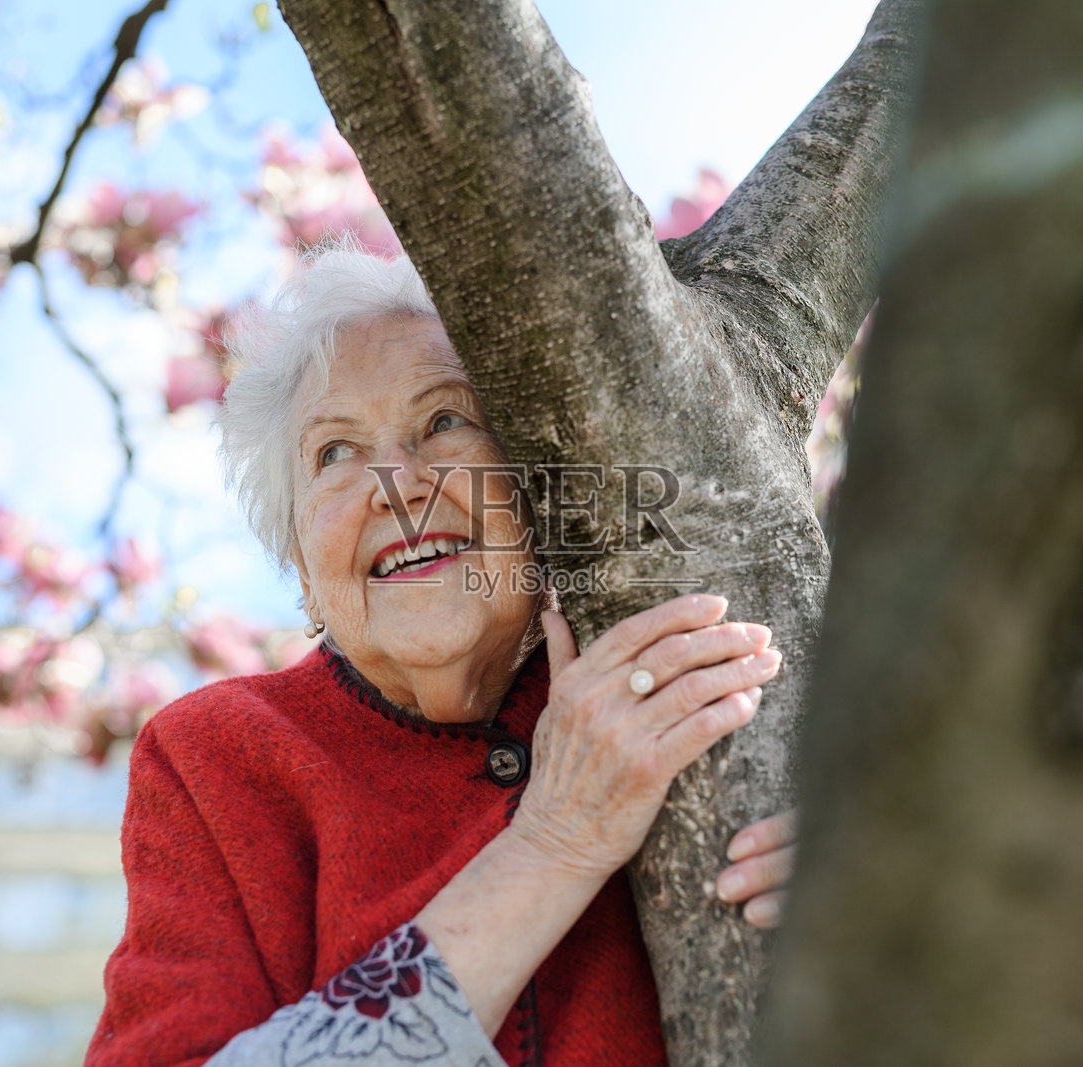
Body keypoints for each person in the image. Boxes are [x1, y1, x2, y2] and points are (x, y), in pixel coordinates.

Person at [84, 244, 794, 1067]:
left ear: (537, 497)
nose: (399, 479)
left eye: (445, 420)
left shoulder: (662, 673)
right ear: (305, 575)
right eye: (335, 453)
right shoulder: (219, 752)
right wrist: (559, 840)